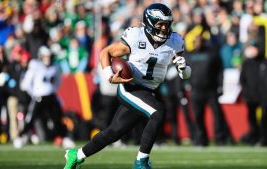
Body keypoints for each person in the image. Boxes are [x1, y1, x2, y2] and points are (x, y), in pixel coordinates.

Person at [64, 3, 191, 169]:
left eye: (167, 24)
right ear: (150, 22)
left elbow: (185, 74)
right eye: (160, 24)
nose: (164, 28)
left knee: (114, 132)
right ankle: (141, 162)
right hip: (130, 87)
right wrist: (110, 76)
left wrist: (183, 68)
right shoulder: (136, 36)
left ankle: (77, 155)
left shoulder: (175, 41)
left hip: (148, 91)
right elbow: (106, 53)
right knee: (158, 112)